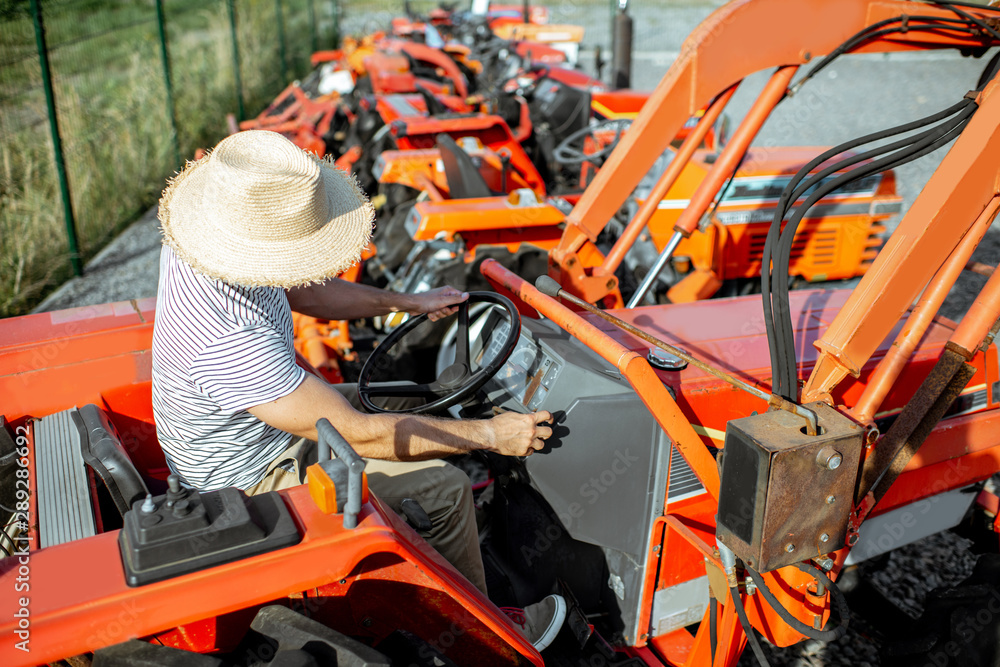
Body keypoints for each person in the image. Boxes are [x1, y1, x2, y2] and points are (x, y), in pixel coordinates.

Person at [150, 130, 565, 651]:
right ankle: (488, 641)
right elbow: (356, 432)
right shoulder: (228, 337)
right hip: (251, 478)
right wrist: (491, 435)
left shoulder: (207, 240)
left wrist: (406, 302)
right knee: (446, 490)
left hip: (262, 431)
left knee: (413, 397)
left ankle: (455, 554)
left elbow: (302, 285)